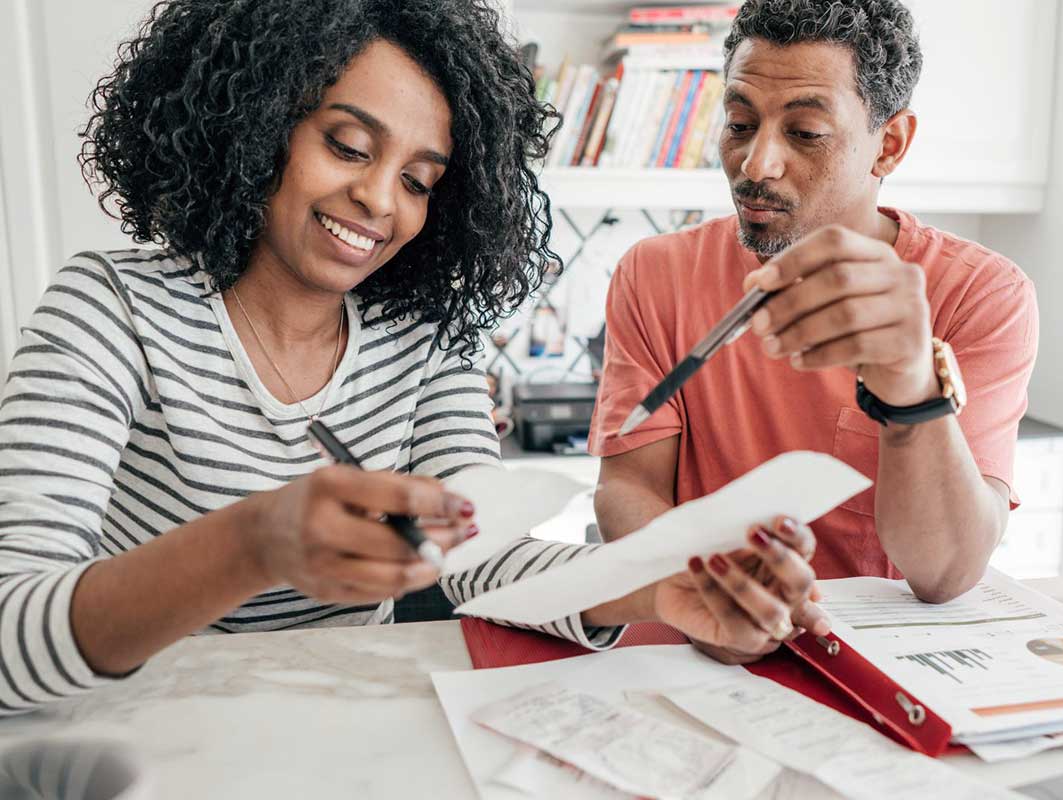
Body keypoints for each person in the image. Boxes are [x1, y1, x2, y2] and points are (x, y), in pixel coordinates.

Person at [0, 0, 825, 717]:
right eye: (350, 146)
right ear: (254, 125)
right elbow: (10, 629)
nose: (380, 200)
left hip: (346, 726)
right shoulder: (111, 309)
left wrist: (660, 588)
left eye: (421, 180)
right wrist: (251, 544)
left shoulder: (423, 335)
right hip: (136, 732)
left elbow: (482, 558)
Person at [589, 0, 1039, 664]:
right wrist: (706, 591)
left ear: (889, 144)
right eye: (740, 122)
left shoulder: (981, 295)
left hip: (877, 662)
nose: (755, 164)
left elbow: (943, 572)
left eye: (804, 132)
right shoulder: (656, 274)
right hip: (696, 647)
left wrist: (911, 387)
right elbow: (629, 487)